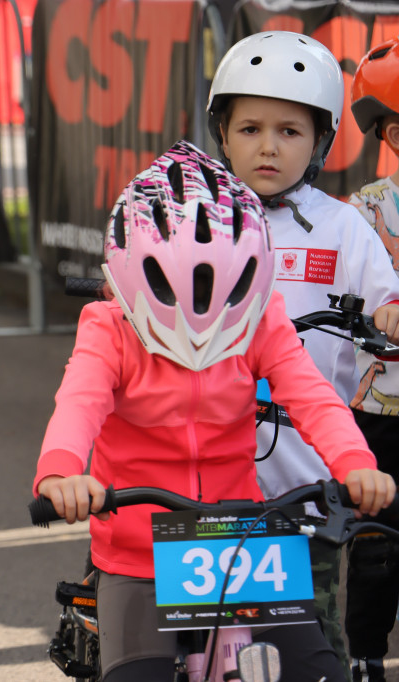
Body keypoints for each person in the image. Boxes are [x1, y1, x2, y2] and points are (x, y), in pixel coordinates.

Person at [33, 140, 396, 682]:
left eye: (221, 290)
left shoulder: (261, 317)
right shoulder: (107, 328)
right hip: (139, 552)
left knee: (320, 672)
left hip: (244, 538)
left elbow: (310, 394)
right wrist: (61, 472)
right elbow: (78, 404)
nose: (201, 313)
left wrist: (354, 463)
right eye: (176, 288)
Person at [205, 31, 399, 675]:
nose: (268, 145)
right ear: (222, 135)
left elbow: (383, 297)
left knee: (310, 640)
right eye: (251, 128)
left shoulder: (343, 225)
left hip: (302, 483)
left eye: (290, 131)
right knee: (192, 635)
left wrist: (390, 314)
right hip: (198, 474)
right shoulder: (195, 218)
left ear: (320, 142)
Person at [341, 36, 399, 682]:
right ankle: (363, 655)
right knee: (376, 540)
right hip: (383, 403)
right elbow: (351, 294)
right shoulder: (367, 211)